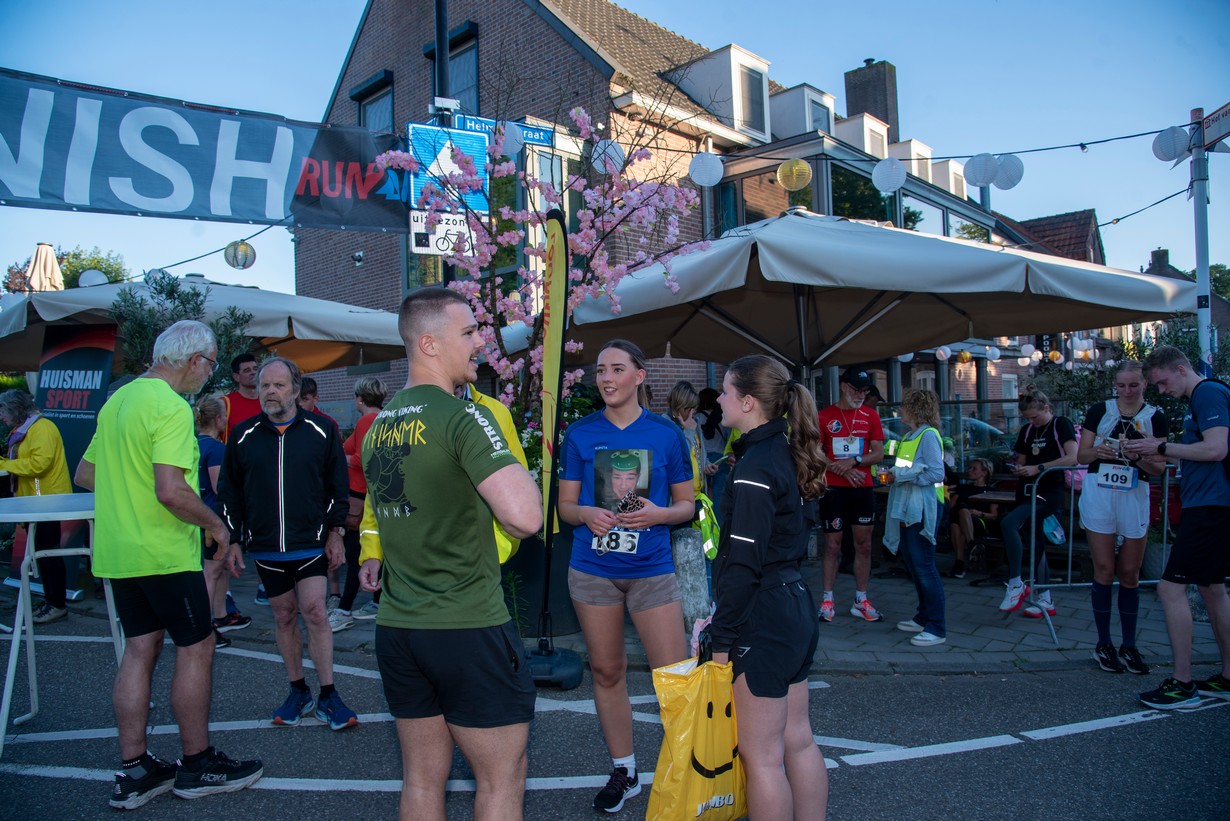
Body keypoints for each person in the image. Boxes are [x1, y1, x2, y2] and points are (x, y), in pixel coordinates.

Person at [357, 287, 542, 821]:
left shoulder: (380, 424)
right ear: (429, 344)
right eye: (468, 332)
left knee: (421, 779)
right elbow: (525, 517)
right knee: (501, 779)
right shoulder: (465, 417)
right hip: (466, 625)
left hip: (399, 628)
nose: (479, 343)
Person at [75, 320, 262, 809]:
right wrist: (217, 525)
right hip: (163, 552)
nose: (208, 374)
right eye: (211, 364)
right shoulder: (171, 406)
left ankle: (135, 769)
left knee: (139, 651)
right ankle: (197, 764)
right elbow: (171, 491)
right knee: (197, 648)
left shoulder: (118, 400)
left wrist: (129, 492)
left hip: (119, 551)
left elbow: (86, 473)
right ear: (195, 361)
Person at [558, 339, 694, 813]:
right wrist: (585, 513)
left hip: (652, 571)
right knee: (606, 670)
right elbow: (565, 507)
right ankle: (625, 770)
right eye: (600, 370)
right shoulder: (580, 434)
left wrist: (659, 515)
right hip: (593, 571)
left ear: (639, 376)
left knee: (674, 678)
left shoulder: (666, 433)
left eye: (617, 369)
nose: (606, 378)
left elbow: (687, 505)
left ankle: (687, 771)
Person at [710, 355, 827, 820]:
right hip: (795, 604)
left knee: (761, 758)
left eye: (724, 391)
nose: (718, 400)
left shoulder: (756, 464)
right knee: (798, 740)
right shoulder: (784, 451)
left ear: (747, 402)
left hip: (764, 614)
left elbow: (743, 564)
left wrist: (721, 640)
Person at [217, 356, 357, 730]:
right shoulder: (243, 435)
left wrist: (336, 532)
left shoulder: (322, 430)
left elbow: (337, 487)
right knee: (282, 615)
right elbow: (229, 491)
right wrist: (233, 539)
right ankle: (298, 690)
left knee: (314, 611)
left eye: (278, 385)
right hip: (266, 546)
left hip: (310, 542)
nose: (270, 392)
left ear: (295, 390)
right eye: (264, 385)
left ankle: (329, 694)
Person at [1124, 345, 1230, 709]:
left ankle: (1182, 684)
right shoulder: (1204, 395)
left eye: (1162, 382)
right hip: (1211, 503)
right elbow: (1204, 453)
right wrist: (1158, 450)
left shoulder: (1208, 393)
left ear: (1181, 369)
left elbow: (1216, 449)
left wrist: (1162, 446)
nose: (1162, 390)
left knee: (1170, 589)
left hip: (1212, 506)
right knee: (1212, 589)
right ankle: (1227, 677)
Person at [1077, 361, 1167, 675]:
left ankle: (1130, 645)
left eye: (1133, 385)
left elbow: (1159, 468)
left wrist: (1138, 456)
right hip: (1100, 491)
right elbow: (1082, 455)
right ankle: (1104, 643)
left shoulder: (1155, 416)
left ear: (1144, 385)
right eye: (1121, 386)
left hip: (1134, 492)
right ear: (1114, 386)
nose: (1127, 391)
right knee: (1104, 568)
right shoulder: (1099, 411)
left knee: (1130, 572)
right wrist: (1099, 451)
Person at [998, 387, 1079, 615]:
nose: (1032, 422)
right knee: (1034, 539)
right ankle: (1045, 597)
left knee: (1009, 523)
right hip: (1026, 489)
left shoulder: (1060, 424)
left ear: (1045, 407)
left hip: (1048, 490)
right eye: (1027, 418)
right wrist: (1018, 467)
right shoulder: (1027, 430)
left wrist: (1039, 467)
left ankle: (1016, 583)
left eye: (1034, 417)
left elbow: (1073, 457)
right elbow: (1023, 460)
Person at [817, 367, 886, 622]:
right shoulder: (824, 416)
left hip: (862, 488)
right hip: (834, 489)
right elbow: (814, 452)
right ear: (844, 386)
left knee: (864, 545)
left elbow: (878, 453)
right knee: (832, 545)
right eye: (857, 390)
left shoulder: (871, 416)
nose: (861, 395)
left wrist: (854, 461)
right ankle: (827, 600)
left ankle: (861, 599)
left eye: (865, 391)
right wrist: (841, 468)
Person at [0, 390, 72, 624]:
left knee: (48, 554)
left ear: (15, 409)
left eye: (3, 410)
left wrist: (6, 465)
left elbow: (39, 464)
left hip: (47, 502)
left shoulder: (42, 428)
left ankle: (57, 605)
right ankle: (53, 602)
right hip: (36, 502)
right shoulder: (29, 428)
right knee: (43, 554)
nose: (1, 416)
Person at [882, 389, 948, 647]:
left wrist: (902, 477)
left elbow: (936, 473)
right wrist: (896, 475)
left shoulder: (928, 435)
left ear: (916, 408)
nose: (901, 410)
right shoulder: (910, 436)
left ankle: (937, 627)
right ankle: (924, 617)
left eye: (905, 405)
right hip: (911, 507)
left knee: (924, 565)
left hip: (924, 508)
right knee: (913, 562)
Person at [329, 376, 388, 633]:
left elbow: (362, 459)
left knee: (356, 553)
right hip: (375, 493)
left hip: (360, 495)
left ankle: (344, 610)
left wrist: (337, 457)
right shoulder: (385, 418)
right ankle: (376, 601)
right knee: (373, 550)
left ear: (360, 398)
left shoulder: (366, 420)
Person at [195, 395, 250, 649]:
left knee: (219, 568)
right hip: (214, 517)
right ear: (218, 419)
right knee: (212, 571)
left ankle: (220, 615)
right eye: (224, 415)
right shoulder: (216, 449)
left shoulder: (193, 444)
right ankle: (204, 630)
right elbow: (221, 488)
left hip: (199, 515)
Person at [666, 380, 716, 629]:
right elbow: (680, 461)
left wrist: (707, 467)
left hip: (699, 499)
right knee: (679, 555)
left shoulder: (693, 426)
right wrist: (687, 432)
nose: (695, 412)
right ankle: (680, 607)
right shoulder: (669, 428)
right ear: (681, 407)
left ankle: (705, 602)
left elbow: (698, 457)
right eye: (691, 408)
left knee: (707, 549)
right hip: (676, 503)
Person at [947, 457, 1000, 579]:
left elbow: (994, 516)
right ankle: (971, 546)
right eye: (970, 468)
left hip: (979, 522)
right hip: (959, 520)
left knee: (960, 513)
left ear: (984, 472)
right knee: (958, 515)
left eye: (974, 469)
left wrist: (978, 513)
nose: (970, 471)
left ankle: (959, 563)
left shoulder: (991, 491)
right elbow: (951, 507)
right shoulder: (963, 488)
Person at [696, 387, 730, 515]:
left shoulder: (697, 417)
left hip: (705, 458)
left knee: (703, 493)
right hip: (721, 458)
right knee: (720, 495)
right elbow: (728, 436)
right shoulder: (722, 416)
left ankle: (705, 519)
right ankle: (720, 522)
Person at [221, 353, 261, 442]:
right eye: (247, 370)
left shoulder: (269, 401)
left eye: (255, 369)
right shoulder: (225, 403)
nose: (253, 373)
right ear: (236, 377)